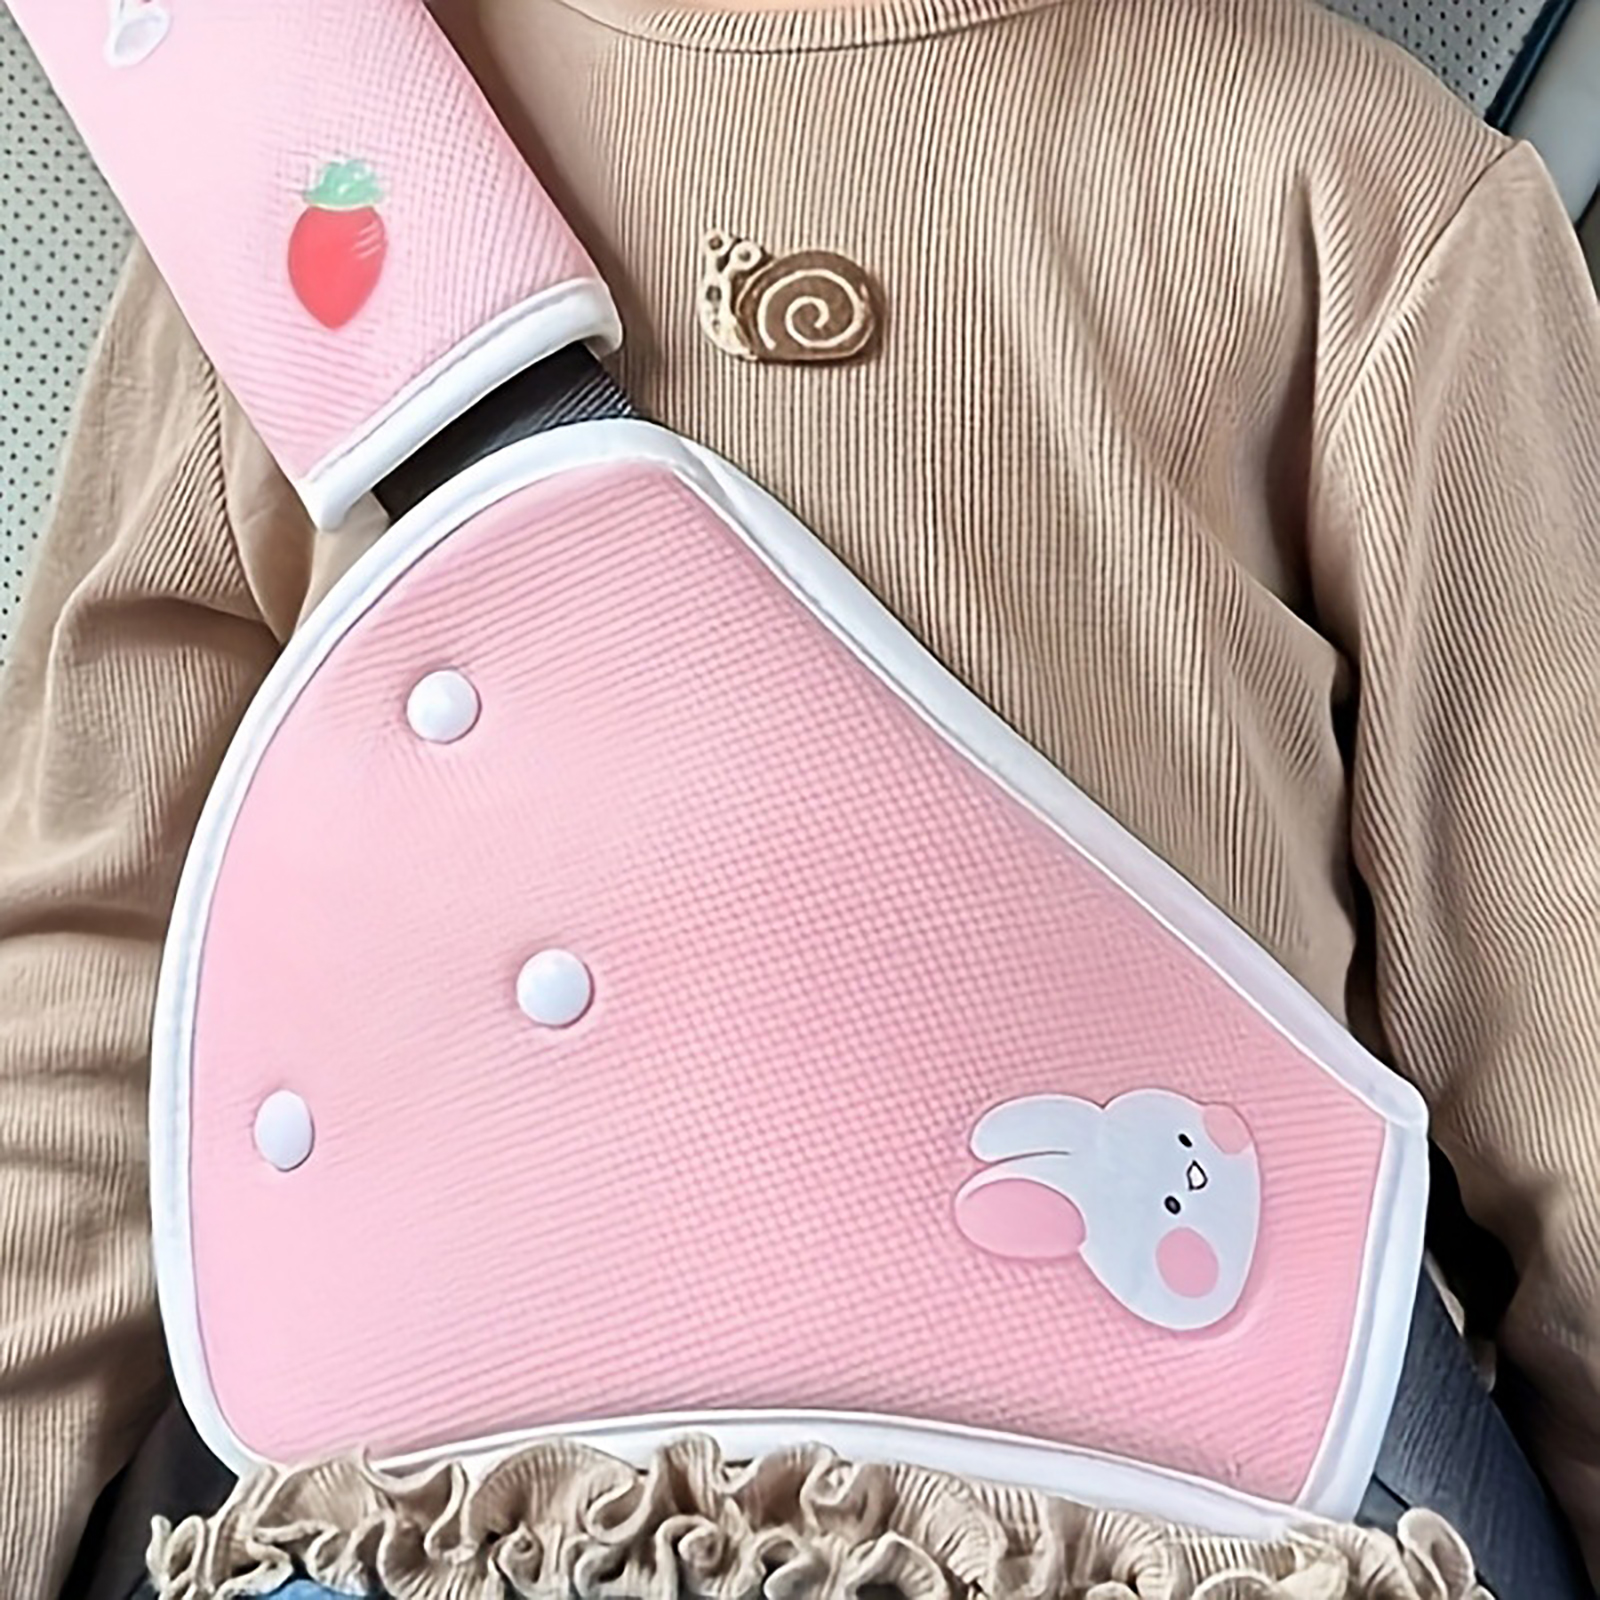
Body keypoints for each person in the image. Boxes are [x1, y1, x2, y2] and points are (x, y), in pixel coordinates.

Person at [2, 0, 1598, 1594]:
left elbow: (1563, 1032)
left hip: (1151, 1525)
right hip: (422, 1517)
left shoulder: (1370, 200)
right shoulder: (300, 142)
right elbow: (85, 999)